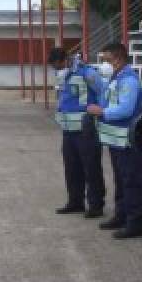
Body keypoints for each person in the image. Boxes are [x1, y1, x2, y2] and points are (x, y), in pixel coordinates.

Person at [87, 42, 142, 239]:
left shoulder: (128, 80)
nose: (105, 63)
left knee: (131, 182)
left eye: (107, 59)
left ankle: (135, 223)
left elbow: (126, 109)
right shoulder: (115, 77)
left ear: (119, 58)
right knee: (121, 180)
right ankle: (121, 216)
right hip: (117, 140)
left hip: (128, 141)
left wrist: (102, 111)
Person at [52, 47, 106, 218]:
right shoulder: (63, 75)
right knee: (71, 168)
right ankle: (75, 201)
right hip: (68, 130)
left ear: (66, 59)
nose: (57, 69)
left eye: (58, 65)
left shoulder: (88, 73)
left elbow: (103, 93)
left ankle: (96, 205)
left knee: (91, 168)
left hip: (86, 128)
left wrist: (101, 115)